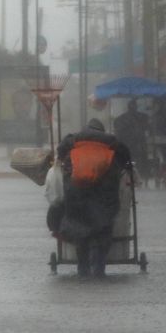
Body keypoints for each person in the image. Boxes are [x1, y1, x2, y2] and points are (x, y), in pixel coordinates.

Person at [55, 119, 132, 278]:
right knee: (104, 226)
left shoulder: (73, 139)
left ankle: (83, 268)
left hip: (77, 188)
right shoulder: (111, 141)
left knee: (80, 226)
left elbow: (60, 152)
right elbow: (126, 157)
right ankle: (99, 268)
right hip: (105, 189)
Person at [114, 99, 150, 182]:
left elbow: (118, 133)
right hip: (138, 145)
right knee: (138, 161)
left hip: (127, 145)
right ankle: (140, 176)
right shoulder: (143, 117)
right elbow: (146, 129)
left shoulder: (120, 119)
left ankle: (129, 176)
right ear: (136, 107)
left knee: (129, 162)